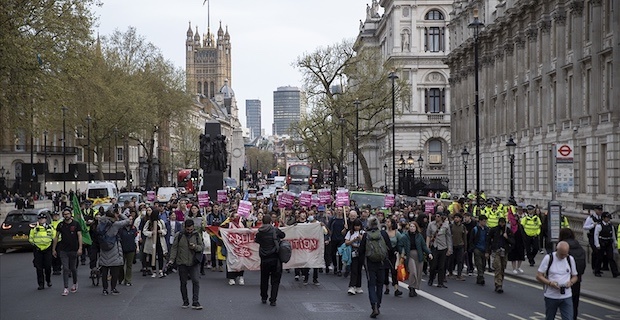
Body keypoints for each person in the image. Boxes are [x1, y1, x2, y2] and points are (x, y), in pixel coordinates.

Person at [358, 216, 393, 318]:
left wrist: (362, 264)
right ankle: (378, 304)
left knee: (371, 285)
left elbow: (361, 251)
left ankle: (374, 306)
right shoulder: (383, 234)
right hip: (382, 262)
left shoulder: (366, 235)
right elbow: (389, 248)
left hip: (370, 263)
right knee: (380, 285)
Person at [536, 241, 578, 320]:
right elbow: (539, 276)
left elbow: (575, 276)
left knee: (569, 318)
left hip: (566, 295)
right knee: (550, 318)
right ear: (557, 250)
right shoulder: (549, 258)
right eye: (562, 254)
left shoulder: (570, 259)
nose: (563, 256)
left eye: (565, 254)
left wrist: (571, 282)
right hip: (551, 296)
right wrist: (550, 283)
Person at [169, 219, 204, 310]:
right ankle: (185, 301)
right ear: (185, 227)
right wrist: (171, 260)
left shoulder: (197, 235)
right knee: (183, 282)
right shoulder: (179, 235)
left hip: (193, 262)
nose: (189, 231)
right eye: (188, 229)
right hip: (182, 262)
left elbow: (201, 247)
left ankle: (195, 302)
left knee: (196, 281)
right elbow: (174, 248)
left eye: (191, 229)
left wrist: (195, 247)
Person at [254, 214, 286, 306]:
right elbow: (283, 235)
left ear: (262, 222)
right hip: (275, 258)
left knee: (264, 278)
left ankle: (264, 297)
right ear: (270, 221)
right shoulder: (275, 230)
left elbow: (257, 240)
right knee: (275, 280)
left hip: (264, 258)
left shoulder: (260, 232)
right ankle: (273, 299)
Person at [98, 210, 131, 295]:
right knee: (114, 271)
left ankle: (105, 289)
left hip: (103, 248)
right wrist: (120, 214)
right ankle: (113, 288)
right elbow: (128, 221)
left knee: (104, 271)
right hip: (113, 248)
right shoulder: (115, 225)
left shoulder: (101, 223)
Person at [52, 208, 82, 296]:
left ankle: (75, 283)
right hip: (63, 250)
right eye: (64, 214)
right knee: (65, 268)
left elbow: (79, 236)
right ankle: (65, 287)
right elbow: (56, 237)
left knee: (73, 268)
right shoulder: (60, 225)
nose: (66, 216)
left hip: (73, 249)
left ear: (70, 214)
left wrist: (80, 248)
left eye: (68, 214)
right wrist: (53, 249)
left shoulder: (76, 224)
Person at [558, 228, 586, 320]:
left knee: (564, 304)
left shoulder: (562, 247)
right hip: (577, 278)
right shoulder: (579, 247)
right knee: (574, 302)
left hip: (565, 279)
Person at [401, 221, 433, 297]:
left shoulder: (419, 236)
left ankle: (414, 288)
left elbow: (424, 246)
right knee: (413, 272)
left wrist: (429, 253)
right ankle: (411, 287)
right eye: (411, 226)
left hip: (419, 256)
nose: (412, 228)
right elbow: (400, 245)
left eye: (413, 226)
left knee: (418, 273)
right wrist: (402, 253)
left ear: (416, 228)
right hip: (410, 255)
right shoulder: (405, 236)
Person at [486, 217, 514, 293]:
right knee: (497, 267)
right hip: (496, 251)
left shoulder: (508, 231)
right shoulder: (494, 230)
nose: (501, 224)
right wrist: (488, 251)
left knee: (502, 268)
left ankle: (500, 282)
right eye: (500, 222)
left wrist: (507, 238)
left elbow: (513, 242)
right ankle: (498, 284)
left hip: (504, 252)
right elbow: (488, 240)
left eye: (503, 223)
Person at [29, 212, 55, 290]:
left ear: (46, 220)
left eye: (43, 219)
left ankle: (48, 280)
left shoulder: (50, 228)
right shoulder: (34, 229)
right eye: (40, 219)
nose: (41, 220)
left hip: (47, 249)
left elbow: (54, 237)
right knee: (39, 268)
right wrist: (34, 243)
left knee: (47, 267)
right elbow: (31, 238)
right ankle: (41, 284)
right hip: (38, 250)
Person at [426, 213, 452, 288]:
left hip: (443, 247)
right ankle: (431, 279)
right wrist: (427, 246)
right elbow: (428, 235)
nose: (436, 218)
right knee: (433, 265)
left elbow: (448, 237)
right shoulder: (431, 224)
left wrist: (449, 248)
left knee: (442, 266)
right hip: (434, 246)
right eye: (435, 216)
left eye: (438, 216)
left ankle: (440, 282)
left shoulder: (446, 225)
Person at [143, 208, 168, 278]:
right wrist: (151, 233)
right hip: (152, 241)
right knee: (152, 255)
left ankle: (160, 270)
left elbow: (165, 230)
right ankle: (153, 270)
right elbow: (144, 231)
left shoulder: (161, 222)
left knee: (160, 255)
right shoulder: (148, 222)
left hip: (159, 240)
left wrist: (161, 232)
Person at [593, 212, 619, 277]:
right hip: (602, 242)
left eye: (609, 218)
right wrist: (597, 244)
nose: (608, 219)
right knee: (600, 257)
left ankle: (615, 272)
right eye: (607, 218)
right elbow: (596, 235)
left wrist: (615, 242)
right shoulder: (599, 226)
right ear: (603, 218)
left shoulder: (611, 226)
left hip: (608, 242)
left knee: (611, 257)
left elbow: (613, 235)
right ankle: (597, 271)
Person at [383, 217, 403, 295]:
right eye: (386, 222)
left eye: (388, 222)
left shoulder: (396, 233)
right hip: (385, 253)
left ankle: (396, 289)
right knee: (385, 271)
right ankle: (387, 287)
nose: (387, 223)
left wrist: (401, 253)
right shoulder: (384, 233)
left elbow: (401, 242)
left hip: (393, 253)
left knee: (394, 271)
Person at [345, 219, 365, 295]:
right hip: (353, 252)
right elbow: (346, 242)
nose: (357, 227)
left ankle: (358, 286)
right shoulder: (350, 233)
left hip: (361, 252)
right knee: (354, 269)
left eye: (358, 226)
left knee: (359, 269)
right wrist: (353, 240)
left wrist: (360, 238)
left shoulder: (363, 233)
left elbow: (366, 241)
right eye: (355, 226)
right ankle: (352, 286)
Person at [469, 215, 489, 285]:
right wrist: (473, 248)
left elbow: (488, 241)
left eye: (486, 221)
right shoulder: (475, 229)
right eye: (484, 221)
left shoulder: (487, 229)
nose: (485, 222)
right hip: (477, 248)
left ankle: (479, 278)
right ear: (480, 221)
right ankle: (481, 277)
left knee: (483, 265)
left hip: (484, 249)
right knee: (479, 264)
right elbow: (471, 240)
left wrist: (487, 251)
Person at [119, 214, 138, 286]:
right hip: (122, 249)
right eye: (129, 219)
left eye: (131, 219)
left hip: (131, 249)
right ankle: (121, 278)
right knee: (121, 265)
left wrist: (137, 247)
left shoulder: (134, 228)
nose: (130, 221)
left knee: (129, 265)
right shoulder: (121, 229)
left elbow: (136, 238)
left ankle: (128, 280)